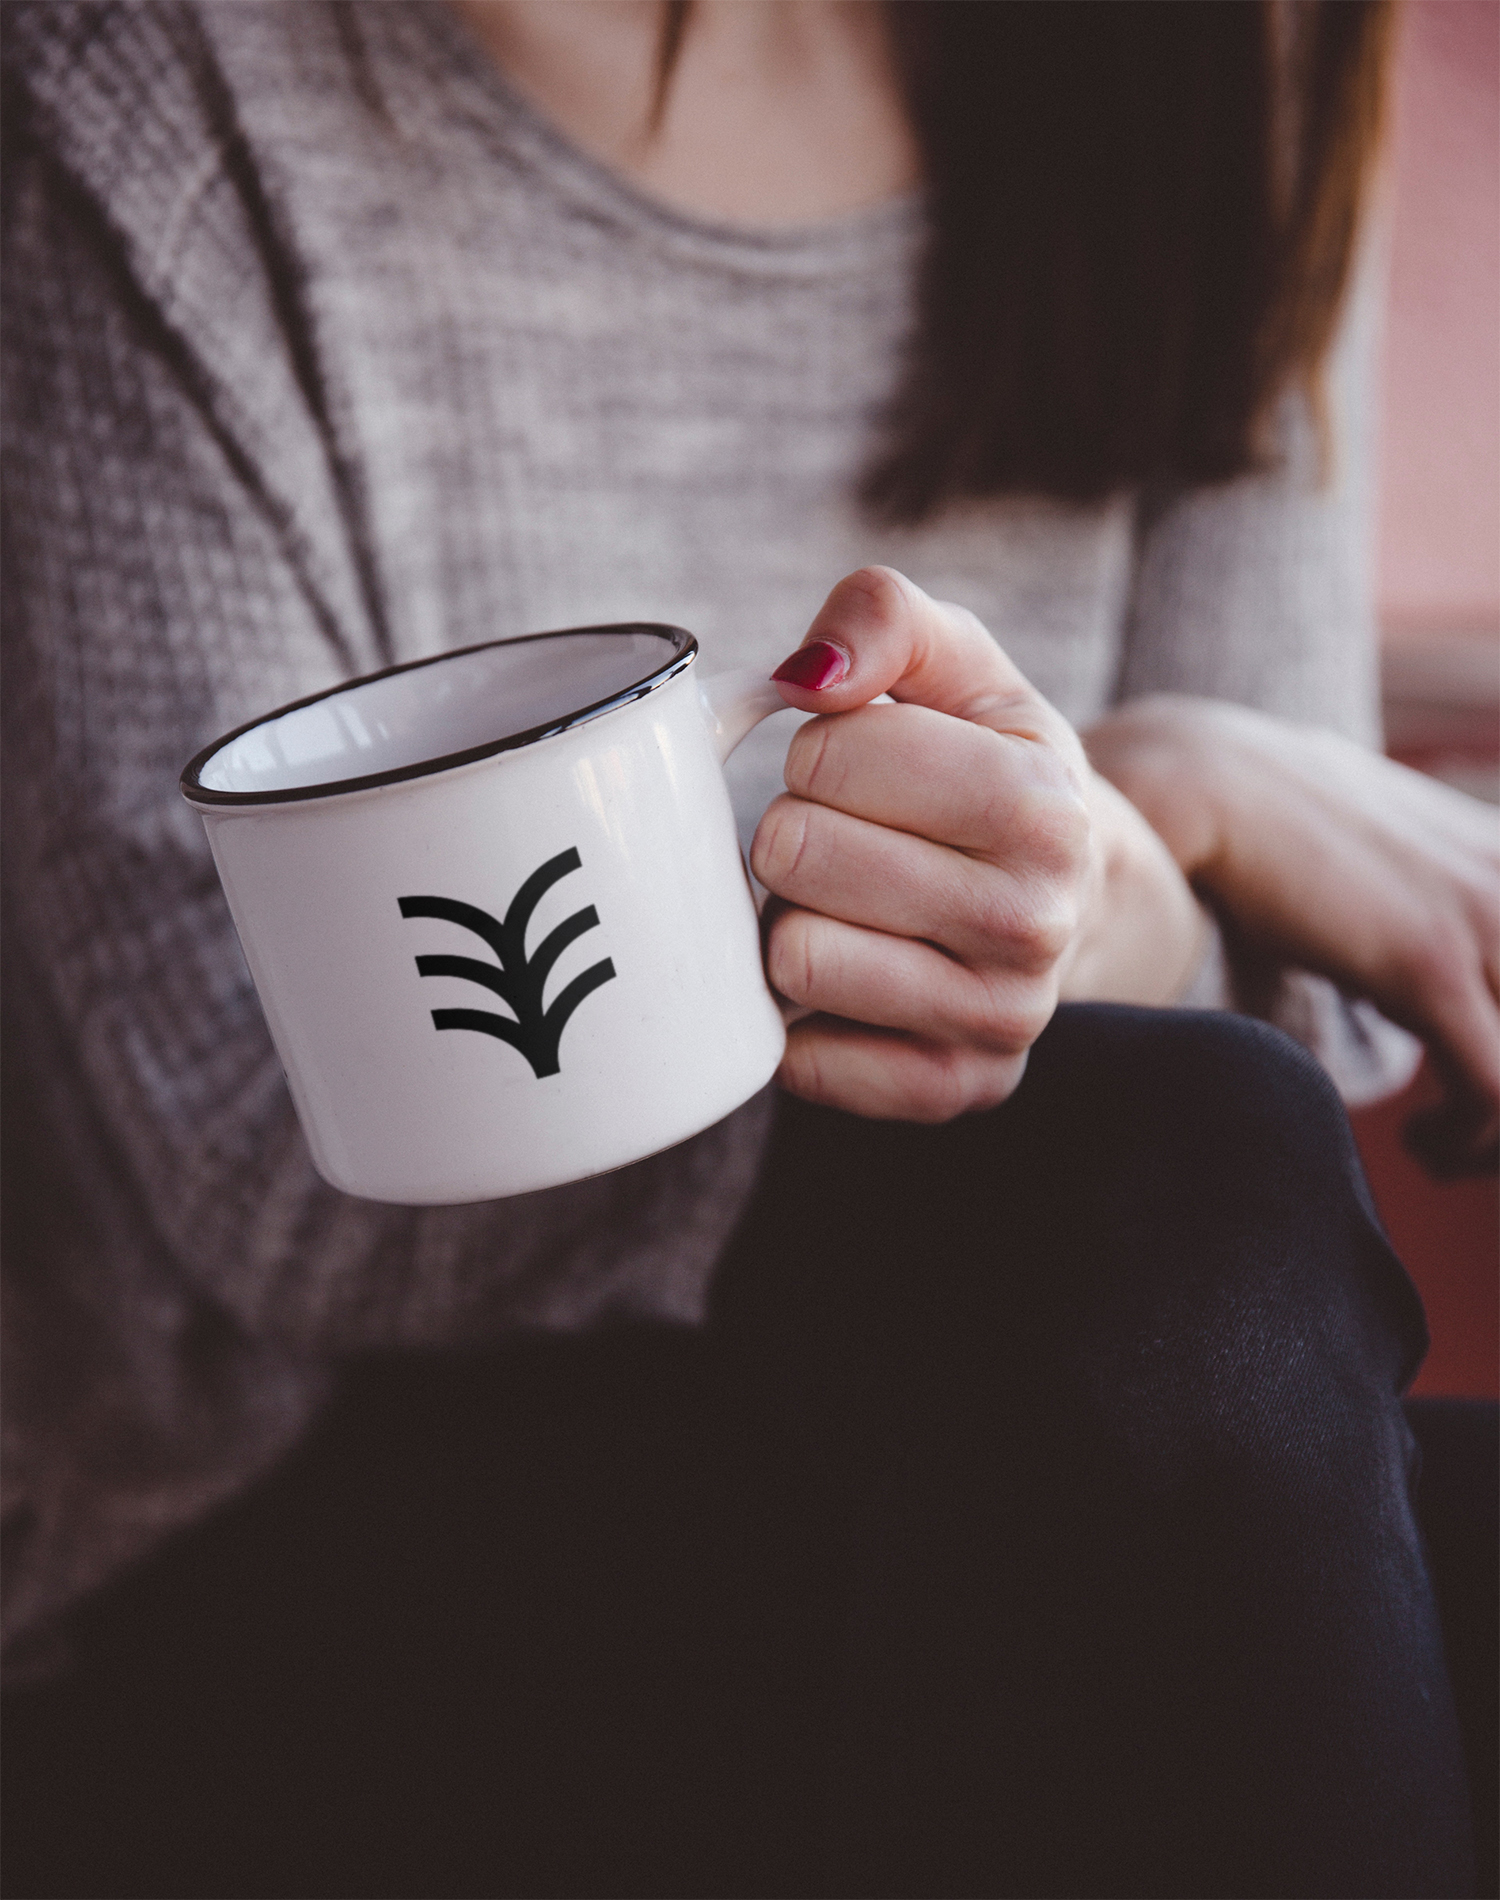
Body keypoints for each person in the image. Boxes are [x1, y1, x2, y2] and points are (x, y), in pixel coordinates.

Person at [2, 3, 1494, 1895]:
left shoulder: (1216, 59)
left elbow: (1256, 1022)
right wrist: (1161, 804)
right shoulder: (147, 87)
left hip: (1020, 1358)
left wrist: (1116, 857)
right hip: (265, 1516)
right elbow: (251, 1164)